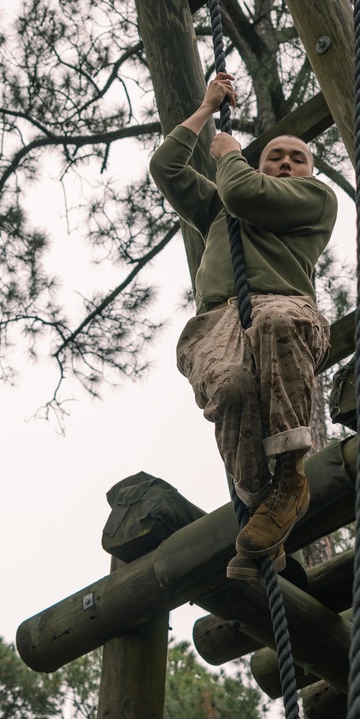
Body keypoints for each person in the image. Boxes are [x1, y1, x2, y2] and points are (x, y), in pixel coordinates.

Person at [150, 73, 337, 576]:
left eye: (297, 158)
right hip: (218, 320)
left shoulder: (315, 200)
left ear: (310, 172)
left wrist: (230, 153)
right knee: (230, 386)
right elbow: (166, 167)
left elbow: (241, 192)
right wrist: (205, 109)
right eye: (275, 156)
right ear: (260, 164)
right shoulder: (221, 206)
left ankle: (291, 476)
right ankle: (261, 509)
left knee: (275, 320)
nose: (286, 163)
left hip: (283, 306)